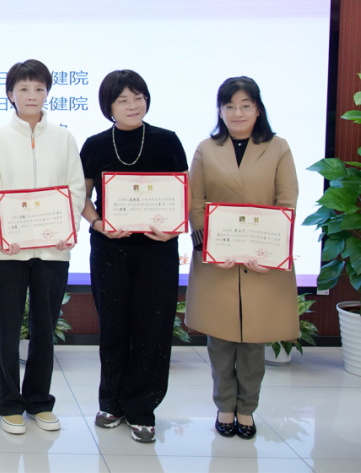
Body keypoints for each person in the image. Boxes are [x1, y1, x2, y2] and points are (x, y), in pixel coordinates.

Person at [185, 77, 298, 440]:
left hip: (263, 260)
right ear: (220, 110)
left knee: (253, 338)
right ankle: (224, 405)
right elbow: (196, 203)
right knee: (220, 338)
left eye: (245, 105)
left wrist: (272, 251)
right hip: (217, 259)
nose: (238, 112)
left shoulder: (278, 147)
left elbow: (286, 201)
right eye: (230, 106)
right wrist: (208, 246)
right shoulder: (206, 149)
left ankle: (246, 409)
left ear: (258, 109)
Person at [79, 69, 188, 443]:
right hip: (110, 249)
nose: (132, 105)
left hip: (158, 250)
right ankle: (111, 402)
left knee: (152, 329)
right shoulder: (95, 144)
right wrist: (98, 224)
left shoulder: (167, 141)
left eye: (138, 97)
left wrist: (175, 228)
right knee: (113, 328)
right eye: (122, 99)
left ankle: (142, 408)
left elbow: (183, 193)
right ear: (108, 106)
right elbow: (82, 198)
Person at [0, 60, 85, 435]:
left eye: (39, 89)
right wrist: (5, 231)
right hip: (7, 251)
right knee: (6, 330)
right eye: (23, 89)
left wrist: (67, 227)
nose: (31, 95)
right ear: (10, 94)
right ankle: (10, 402)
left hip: (53, 250)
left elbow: (75, 188)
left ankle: (40, 401)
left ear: (47, 93)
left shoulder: (64, 137)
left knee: (44, 328)